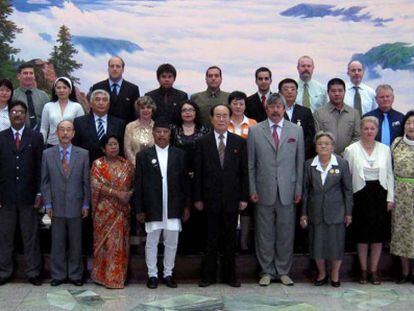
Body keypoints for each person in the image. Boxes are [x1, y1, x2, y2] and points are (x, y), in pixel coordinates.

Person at [247, 93, 304, 286]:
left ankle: (283, 271)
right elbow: (251, 164)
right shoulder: (255, 131)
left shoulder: (296, 131)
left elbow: (299, 163)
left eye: (279, 106)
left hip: (288, 191)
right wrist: (252, 188)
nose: (276, 110)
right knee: (264, 233)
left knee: (286, 233)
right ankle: (267, 271)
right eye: (272, 107)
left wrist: (298, 189)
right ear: (267, 109)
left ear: (284, 107)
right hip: (263, 190)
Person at [195, 104, 249, 288]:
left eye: (225, 116)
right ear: (211, 119)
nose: (221, 119)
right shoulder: (202, 142)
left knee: (229, 240)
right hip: (209, 200)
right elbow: (198, 173)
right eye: (217, 116)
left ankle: (230, 276)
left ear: (229, 118)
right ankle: (208, 276)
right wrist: (198, 198)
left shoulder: (239, 142)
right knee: (210, 239)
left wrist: (243, 198)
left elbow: (244, 173)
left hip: (232, 200)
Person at [135, 117, 190, 289]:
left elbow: (185, 182)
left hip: (174, 205)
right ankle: (152, 275)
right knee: (151, 242)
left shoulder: (179, 154)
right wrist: (139, 209)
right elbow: (139, 184)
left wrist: (186, 206)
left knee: (172, 242)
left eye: (165, 132)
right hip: (153, 206)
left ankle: (168, 274)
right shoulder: (143, 156)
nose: (161, 135)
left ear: (170, 134)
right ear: (153, 134)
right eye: (158, 132)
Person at [344, 116, 394, 285]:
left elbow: (389, 175)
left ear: (377, 130)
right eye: (366, 128)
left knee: (377, 236)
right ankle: (363, 271)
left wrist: (390, 198)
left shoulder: (385, 149)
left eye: (372, 129)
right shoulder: (351, 150)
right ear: (361, 130)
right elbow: (347, 178)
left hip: (380, 195)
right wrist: (348, 201)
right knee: (362, 236)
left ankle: (374, 271)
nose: (369, 131)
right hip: (360, 196)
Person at [300, 131, 353, 287]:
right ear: (315, 147)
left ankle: (335, 274)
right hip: (315, 210)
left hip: (337, 211)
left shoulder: (341, 164)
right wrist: (303, 213)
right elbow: (305, 191)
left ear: (333, 147)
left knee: (336, 244)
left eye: (327, 143)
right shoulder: (308, 164)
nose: (323, 146)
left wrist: (349, 212)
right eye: (320, 143)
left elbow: (348, 190)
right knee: (317, 244)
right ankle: (322, 273)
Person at [0, 100, 44, 286]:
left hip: (29, 196)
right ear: (9, 115)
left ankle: (33, 272)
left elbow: (40, 167)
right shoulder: (1, 137)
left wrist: (40, 193)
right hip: (6, 196)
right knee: (5, 236)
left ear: (25, 116)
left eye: (20, 112)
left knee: (30, 236)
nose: (17, 115)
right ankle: (4, 271)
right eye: (14, 112)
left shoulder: (35, 137)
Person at [41, 120, 90, 286]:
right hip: (56, 205)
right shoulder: (47, 154)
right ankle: (58, 275)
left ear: (74, 133)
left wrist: (86, 204)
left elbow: (86, 182)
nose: (65, 133)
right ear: (56, 132)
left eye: (69, 130)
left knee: (76, 243)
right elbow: (45, 181)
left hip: (76, 205)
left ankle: (76, 275)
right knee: (57, 242)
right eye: (62, 130)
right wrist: (47, 204)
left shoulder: (83, 154)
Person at [90, 135, 134, 289]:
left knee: (120, 245)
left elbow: (135, 184)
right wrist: (117, 194)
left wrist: (128, 195)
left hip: (122, 212)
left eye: (115, 144)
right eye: (110, 144)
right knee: (105, 245)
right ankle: (101, 276)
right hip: (104, 211)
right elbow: (96, 186)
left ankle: (117, 278)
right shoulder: (97, 164)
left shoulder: (127, 165)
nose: (113, 147)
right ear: (103, 148)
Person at [170, 100, 209, 254]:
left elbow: (207, 155)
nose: (187, 112)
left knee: (198, 212)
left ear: (196, 112)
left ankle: (197, 247)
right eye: (184, 110)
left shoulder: (204, 130)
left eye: (191, 110)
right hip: (178, 178)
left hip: (199, 177)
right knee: (180, 211)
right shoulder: (173, 130)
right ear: (180, 113)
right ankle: (181, 248)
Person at [227, 91, 256, 253]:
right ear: (230, 105)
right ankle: (230, 241)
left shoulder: (253, 123)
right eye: (235, 103)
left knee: (246, 207)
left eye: (241, 104)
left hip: (247, 170)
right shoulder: (224, 122)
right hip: (228, 172)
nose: (238, 107)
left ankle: (244, 242)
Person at [390, 111, 414, 284]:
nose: (411, 127)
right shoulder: (397, 143)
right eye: (408, 123)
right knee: (401, 231)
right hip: (400, 193)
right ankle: (404, 272)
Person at [73, 89, 126, 164]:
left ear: (109, 104)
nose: (101, 103)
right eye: (97, 100)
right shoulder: (79, 122)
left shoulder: (119, 123)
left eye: (104, 100)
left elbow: (121, 149)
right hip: (86, 166)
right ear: (91, 104)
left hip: (112, 169)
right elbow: (76, 148)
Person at [314, 78, 360, 155]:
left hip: (349, 156)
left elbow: (357, 137)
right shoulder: (319, 113)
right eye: (333, 91)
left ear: (345, 92)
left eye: (340, 90)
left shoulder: (354, 113)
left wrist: (346, 153)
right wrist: (331, 154)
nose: (337, 94)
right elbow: (318, 137)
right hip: (326, 157)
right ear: (328, 92)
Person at [90, 56, 140, 123]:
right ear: (108, 69)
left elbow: (136, 113)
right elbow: (92, 111)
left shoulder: (133, 89)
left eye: (118, 66)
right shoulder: (98, 87)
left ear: (123, 70)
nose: (114, 69)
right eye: (112, 66)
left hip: (125, 130)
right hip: (102, 129)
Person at [40, 77, 84, 146]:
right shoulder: (48, 106)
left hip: (71, 145)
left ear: (70, 90)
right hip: (52, 144)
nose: (61, 90)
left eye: (64, 87)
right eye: (58, 88)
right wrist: (41, 144)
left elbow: (81, 129)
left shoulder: (77, 107)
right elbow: (44, 129)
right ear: (55, 90)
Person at [279, 78, 316, 160]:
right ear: (280, 93)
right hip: (280, 158)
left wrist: (301, 154)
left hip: (302, 157)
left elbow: (310, 136)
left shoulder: (305, 111)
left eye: (293, 89)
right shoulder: (275, 112)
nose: (289, 92)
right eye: (286, 89)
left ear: (297, 93)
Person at [12, 62, 50, 130]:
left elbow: (48, 118)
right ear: (18, 76)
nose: (28, 76)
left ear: (34, 76)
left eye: (31, 73)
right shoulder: (13, 96)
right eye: (25, 73)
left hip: (40, 136)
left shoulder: (44, 96)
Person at [124, 96, 156, 165]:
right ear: (138, 110)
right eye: (142, 108)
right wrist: (137, 165)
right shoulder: (130, 127)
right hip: (134, 167)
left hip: (154, 167)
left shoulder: (157, 127)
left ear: (152, 109)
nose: (145, 110)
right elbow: (127, 149)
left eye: (148, 107)